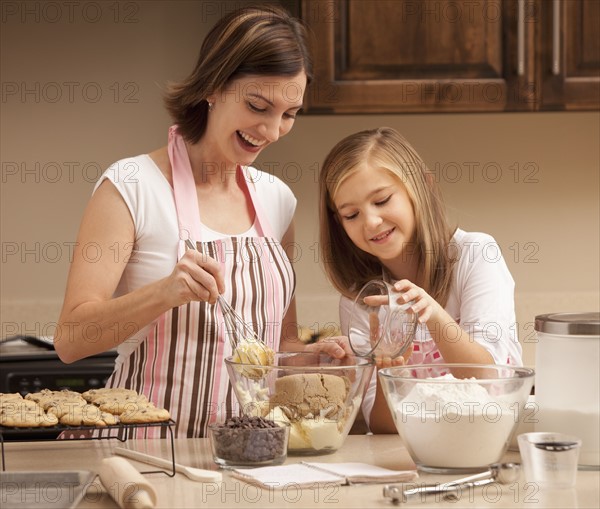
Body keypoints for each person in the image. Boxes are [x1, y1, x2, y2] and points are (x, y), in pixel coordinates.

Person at [55, 5, 315, 438]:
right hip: (143, 451)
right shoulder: (131, 186)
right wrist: (165, 291)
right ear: (213, 86)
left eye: (288, 115)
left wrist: (312, 357)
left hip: (246, 453)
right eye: (258, 105)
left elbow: (278, 347)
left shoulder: (278, 201)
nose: (271, 131)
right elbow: (70, 340)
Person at [318, 127, 523, 433]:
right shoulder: (359, 300)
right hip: (417, 454)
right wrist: (392, 374)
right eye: (351, 215)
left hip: (488, 443)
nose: (371, 221)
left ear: (422, 186)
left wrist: (433, 314)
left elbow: (487, 377)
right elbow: (382, 425)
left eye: (382, 200)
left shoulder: (475, 254)